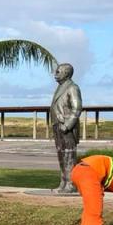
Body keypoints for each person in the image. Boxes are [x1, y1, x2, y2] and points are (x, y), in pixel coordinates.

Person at [49, 62, 83, 194]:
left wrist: (67, 125)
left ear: (66, 73)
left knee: (69, 156)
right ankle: (63, 182)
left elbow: (77, 108)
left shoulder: (73, 87)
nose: (55, 74)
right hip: (57, 126)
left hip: (66, 128)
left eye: (58, 71)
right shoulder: (61, 87)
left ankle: (71, 184)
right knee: (61, 156)